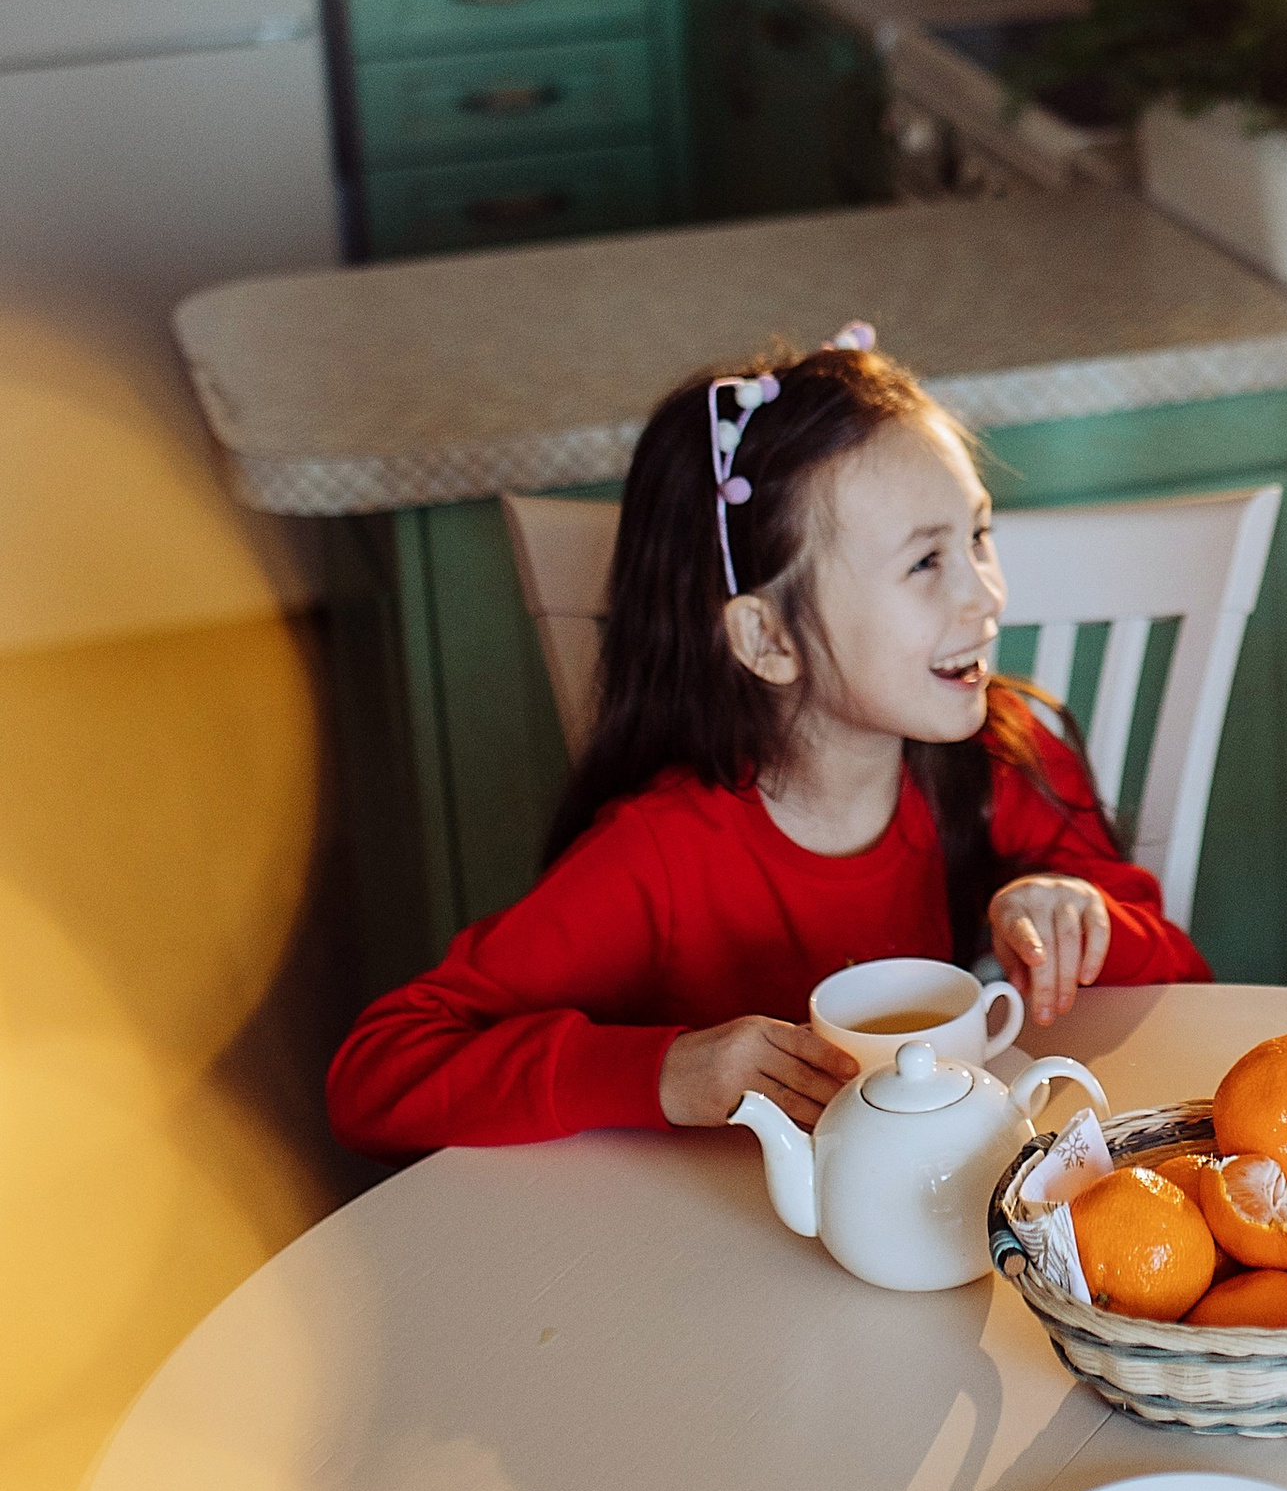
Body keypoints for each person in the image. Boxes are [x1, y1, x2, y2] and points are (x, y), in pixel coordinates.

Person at [329, 331, 1207, 1159]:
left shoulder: (1002, 755)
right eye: (924, 563)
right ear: (766, 640)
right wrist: (663, 1072)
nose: (987, 598)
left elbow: (1187, 982)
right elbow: (375, 1075)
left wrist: (1080, 915)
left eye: (978, 536)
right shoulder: (656, 857)